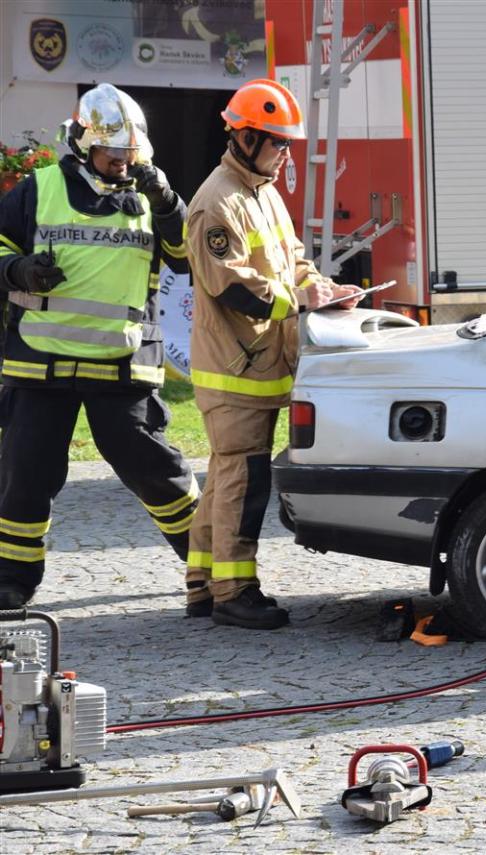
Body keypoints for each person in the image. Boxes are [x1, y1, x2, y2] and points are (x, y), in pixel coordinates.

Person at [0, 84, 198, 609]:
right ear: (84, 147)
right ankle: (11, 580)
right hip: (41, 362)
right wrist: (16, 269)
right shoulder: (38, 189)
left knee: (156, 469)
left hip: (123, 362)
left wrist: (168, 203)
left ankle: (209, 565)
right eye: (112, 155)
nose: (122, 165)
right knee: (25, 472)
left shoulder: (153, 195)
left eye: (130, 155)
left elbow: (187, 257)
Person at [185, 79, 360, 630]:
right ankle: (234, 591)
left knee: (227, 475)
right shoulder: (217, 201)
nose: (287, 155)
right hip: (234, 368)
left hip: (256, 365)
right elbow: (231, 287)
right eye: (279, 143)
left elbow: (292, 262)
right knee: (244, 479)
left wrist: (323, 288)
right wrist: (301, 300)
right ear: (246, 138)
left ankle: (202, 584)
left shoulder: (262, 193)